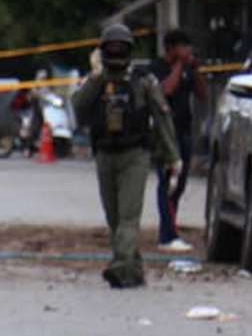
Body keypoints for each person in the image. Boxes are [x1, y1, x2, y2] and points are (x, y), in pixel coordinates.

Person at [71, 22, 179, 289]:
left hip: (135, 155)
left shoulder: (142, 80)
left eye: (121, 48)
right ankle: (133, 269)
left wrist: (173, 157)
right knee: (114, 218)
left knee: (128, 216)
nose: (116, 53)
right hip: (105, 154)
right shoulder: (97, 81)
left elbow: (161, 117)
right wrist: (96, 77)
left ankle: (119, 265)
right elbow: (79, 109)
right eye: (111, 48)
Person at [150, 29, 208, 251]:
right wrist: (178, 66)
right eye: (182, 47)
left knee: (180, 183)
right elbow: (166, 90)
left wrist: (194, 70)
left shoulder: (187, 70)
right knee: (167, 182)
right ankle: (167, 235)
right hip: (164, 133)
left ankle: (170, 227)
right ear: (171, 48)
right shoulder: (156, 68)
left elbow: (202, 94)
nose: (186, 51)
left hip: (184, 130)